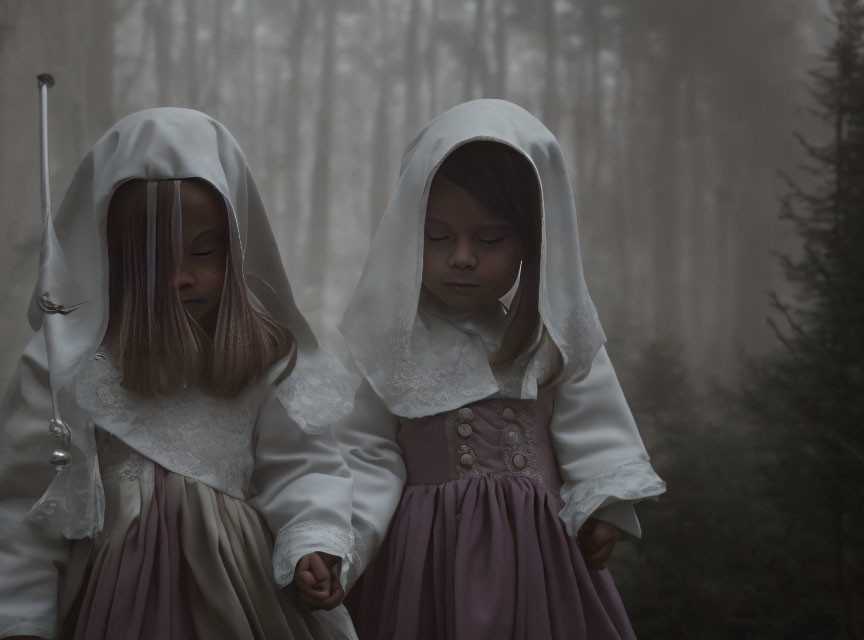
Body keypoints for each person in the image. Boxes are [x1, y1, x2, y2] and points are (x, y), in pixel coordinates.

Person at [0, 108, 358, 640]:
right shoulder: (65, 365)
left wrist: (313, 541)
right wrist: (23, 621)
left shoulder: (261, 354)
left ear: (235, 245)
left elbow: (301, 464)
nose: (181, 277)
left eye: (204, 251)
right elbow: (28, 506)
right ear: (107, 253)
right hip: (112, 605)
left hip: (240, 599)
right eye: (152, 258)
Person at [339, 99, 666, 639]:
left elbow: (595, 427)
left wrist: (602, 503)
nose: (462, 257)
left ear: (530, 242)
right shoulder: (387, 348)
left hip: (540, 564)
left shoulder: (550, 340)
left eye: (488, 239)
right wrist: (345, 541)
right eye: (439, 237)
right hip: (425, 567)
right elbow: (364, 455)